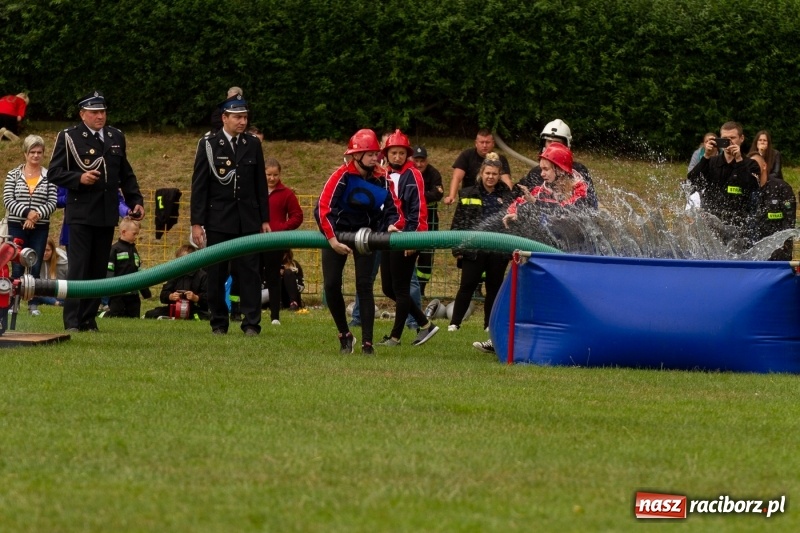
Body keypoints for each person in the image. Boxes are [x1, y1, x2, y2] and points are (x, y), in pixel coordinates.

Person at [46, 91, 145, 332]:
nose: (100, 116)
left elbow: (125, 173)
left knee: (98, 269)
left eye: (102, 112)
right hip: (81, 213)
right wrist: (79, 178)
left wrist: (135, 200)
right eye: (94, 112)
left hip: (106, 212)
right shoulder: (69, 137)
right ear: (83, 114)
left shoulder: (115, 136)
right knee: (79, 269)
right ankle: (72, 320)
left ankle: (89, 319)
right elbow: (54, 173)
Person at [314, 129, 403, 355]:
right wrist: (333, 240)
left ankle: (367, 344)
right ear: (356, 156)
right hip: (337, 235)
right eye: (370, 153)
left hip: (367, 236)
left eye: (376, 153)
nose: (376, 157)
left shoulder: (383, 179)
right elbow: (322, 210)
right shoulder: (340, 177)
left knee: (364, 285)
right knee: (331, 284)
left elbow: (395, 211)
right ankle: (345, 335)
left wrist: (393, 225)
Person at [191, 94, 270, 336]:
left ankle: (251, 323)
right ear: (224, 118)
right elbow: (200, 185)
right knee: (216, 273)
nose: (242, 122)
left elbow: (260, 185)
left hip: (247, 219)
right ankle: (218, 322)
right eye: (237, 117)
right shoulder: (209, 144)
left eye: (245, 117)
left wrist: (264, 219)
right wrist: (197, 222)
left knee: (250, 273)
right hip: (219, 220)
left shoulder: (252, 144)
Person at [376, 130, 439, 347]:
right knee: (387, 288)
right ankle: (425, 324)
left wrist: (412, 239)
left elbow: (419, 210)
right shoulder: (382, 175)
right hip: (387, 236)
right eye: (393, 152)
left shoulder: (414, 175)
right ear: (386, 153)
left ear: (407, 155)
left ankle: (395, 337)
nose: (397, 157)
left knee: (400, 289)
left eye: (401, 153)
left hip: (405, 237)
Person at [448, 152, 513, 343]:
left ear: (499, 174)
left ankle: (488, 324)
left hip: (497, 251)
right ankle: (454, 323)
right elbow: (458, 221)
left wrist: (509, 250)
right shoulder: (468, 193)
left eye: (494, 174)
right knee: (466, 286)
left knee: (494, 288)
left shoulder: (507, 196)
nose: (491, 177)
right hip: (473, 249)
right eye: (487, 173)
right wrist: (457, 248)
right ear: (481, 173)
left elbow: (513, 225)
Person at [3, 135, 58, 289]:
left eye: (39, 152)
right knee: (17, 265)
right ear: (25, 153)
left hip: (39, 227)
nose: (35, 155)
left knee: (35, 264)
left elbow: (52, 202)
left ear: (43, 154)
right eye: (32, 152)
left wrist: (35, 216)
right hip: (16, 226)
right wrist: (27, 213)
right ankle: (15, 303)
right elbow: (8, 199)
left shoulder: (49, 176)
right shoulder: (13, 174)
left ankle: (33, 303)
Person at [687, 121, 760, 238]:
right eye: (725, 138)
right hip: (711, 227)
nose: (729, 142)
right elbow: (692, 180)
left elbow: (751, 187)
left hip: (737, 228)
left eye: (732, 138)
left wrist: (739, 159)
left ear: (741, 139)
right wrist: (706, 156)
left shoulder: (751, 164)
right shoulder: (711, 162)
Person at [514, 119, 599, 208]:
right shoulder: (536, 172)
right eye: (549, 141)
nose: (551, 146)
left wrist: (536, 202)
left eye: (556, 142)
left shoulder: (578, 173)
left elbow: (586, 206)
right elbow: (517, 196)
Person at [503, 142, 593, 226]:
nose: (541, 174)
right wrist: (514, 212)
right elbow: (519, 202)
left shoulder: (581, 190)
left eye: (546, 169)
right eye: (541, 169)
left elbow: (565, 211)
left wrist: (535, 201)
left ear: (560, 170)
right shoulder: (542, 189)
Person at [261, 157, 303, 325]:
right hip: (253, 240)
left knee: (273, 277)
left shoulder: (286, 194)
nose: (272, 178)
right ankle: (244, 310)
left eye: (275, 175)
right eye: (268, 175)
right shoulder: (256, 192)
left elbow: (297, 216)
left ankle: (275, 316)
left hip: (275, 242)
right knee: (251, 275)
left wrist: (282, 229)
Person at [748, 152, 795, 260]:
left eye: (755, 164)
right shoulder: (748, 191)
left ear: (764, 166)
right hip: (753, 252)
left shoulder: (781, 187)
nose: (752, 167)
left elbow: (789, 224)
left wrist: (781, 249)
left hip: (778, 252)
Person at [444, 129, 511, 205]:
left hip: (493, 198)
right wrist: (452, 196)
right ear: (476, 143)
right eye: (482, 142)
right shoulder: (466, 155)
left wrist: (511, 197)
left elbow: (506, 180)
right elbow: (456, 177)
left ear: (493, 143)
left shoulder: (500, 159)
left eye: (487, 142)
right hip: (470, 198)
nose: (484, 145)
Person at [101, 217, 151, 318]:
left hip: (133, 294)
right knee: (116, 315)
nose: (136, 236)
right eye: (134, 234)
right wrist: (110, 289)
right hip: (118, 294)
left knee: (134, 317)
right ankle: (104, 314)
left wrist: (146, 292)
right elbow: (109, 271)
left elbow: (139, 271)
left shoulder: (134, 250)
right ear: (124, 232)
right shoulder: (114, 249)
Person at [144, 244, 210, 320]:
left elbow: (208, 299)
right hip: (174, 308)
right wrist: (171, 296)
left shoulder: (202, 275)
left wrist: (196, 298)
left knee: (204, 317)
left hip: (194, 309)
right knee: (150, 314)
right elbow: (163, 295)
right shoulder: (174, 273)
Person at [412, 145, 444, 296]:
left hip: (430, 218)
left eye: (422, 160)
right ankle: (408, 288)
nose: (419, 164)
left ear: (427, 160)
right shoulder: (408, 172)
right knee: (409, 252)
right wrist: (426, 195)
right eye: (416, 160)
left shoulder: (434, 173)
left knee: (427, 254)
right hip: (411, 218)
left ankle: (421, 289)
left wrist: (416, 196)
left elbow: (437, 195)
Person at [28, 239, 68, 314]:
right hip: (43, 292)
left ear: (53, 250)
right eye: (42, 250)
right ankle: (56, 303)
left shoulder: (64, 263)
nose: (44, 253)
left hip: (60, 292)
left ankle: (56, 302)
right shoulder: (35, 261)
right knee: (35, 292)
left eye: (47, 250)